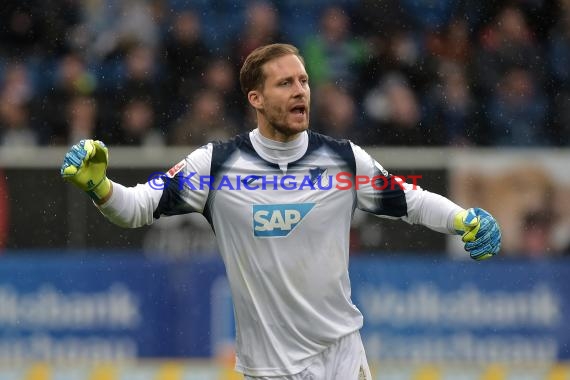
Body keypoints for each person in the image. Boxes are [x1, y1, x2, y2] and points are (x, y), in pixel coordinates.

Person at [60, 43, 501, 379]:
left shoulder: (343, 160)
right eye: (285, 84)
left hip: (342, 360)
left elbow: (412, 200)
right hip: (268, 369)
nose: (300, 92)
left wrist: (463, 219)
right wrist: (99, 186)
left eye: (304, 82)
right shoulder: (215, 165)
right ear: (255, 98)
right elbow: (136, 208)